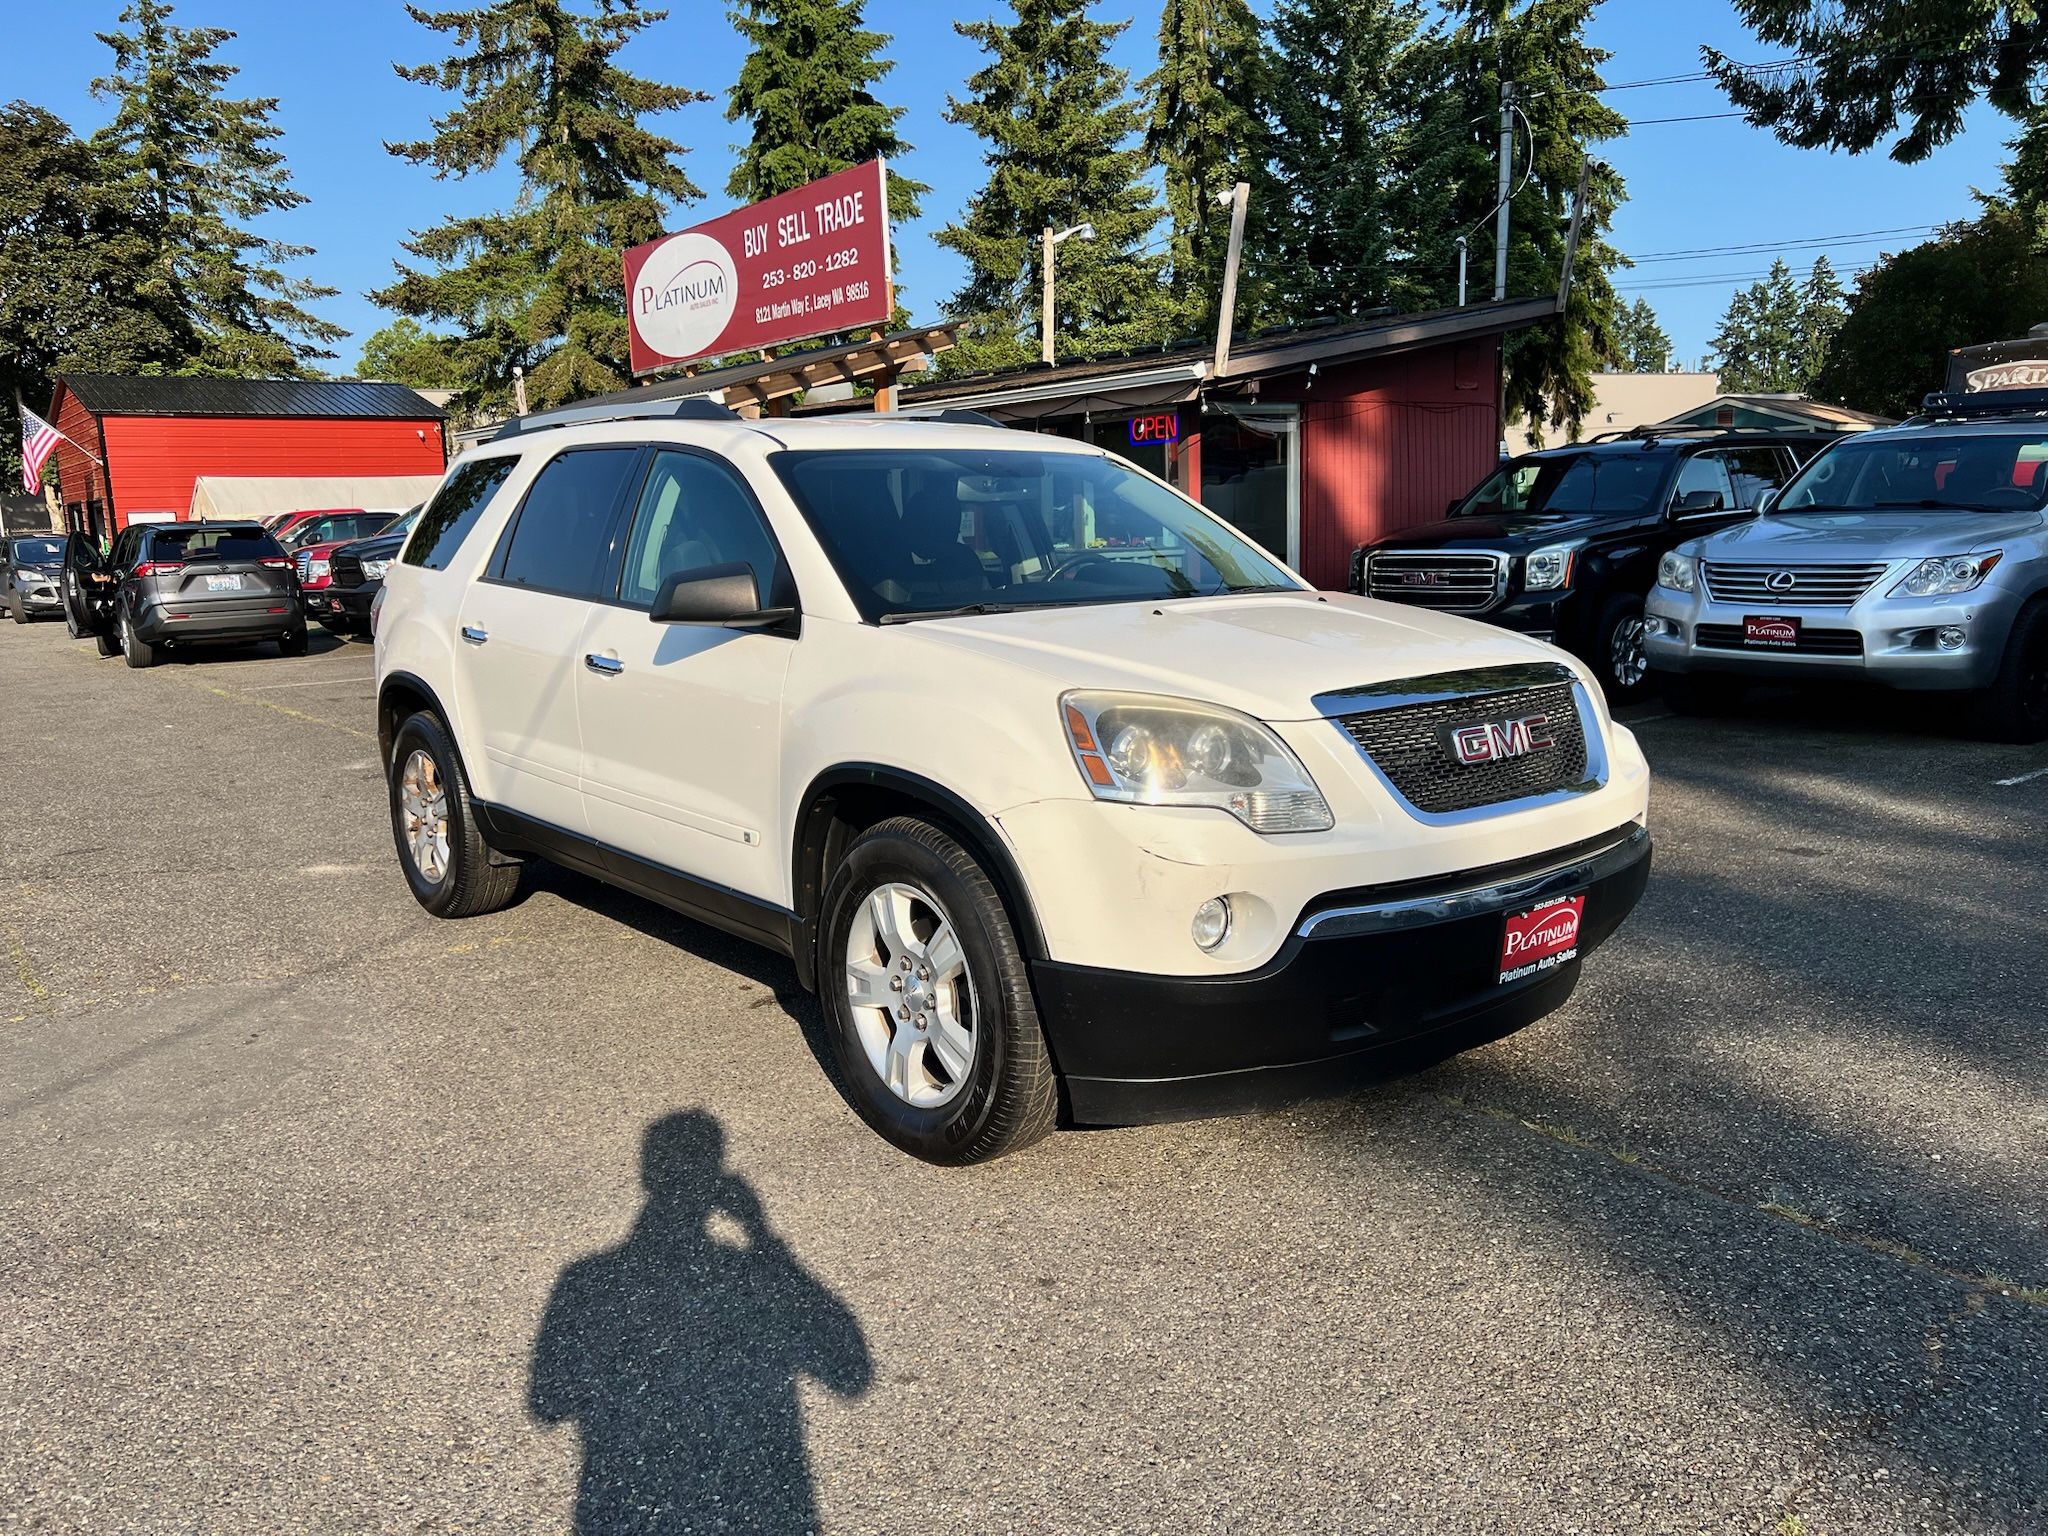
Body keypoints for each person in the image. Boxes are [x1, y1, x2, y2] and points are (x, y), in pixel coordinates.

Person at [530, 1111, 871, 1534]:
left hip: (626, 1512)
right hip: (764, 1511)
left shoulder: (584, 1282)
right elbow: (851, 1370)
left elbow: (548, 1404)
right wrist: (760, 1234)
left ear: (648, 1178)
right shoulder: (748, 1276)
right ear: (717, 1187)